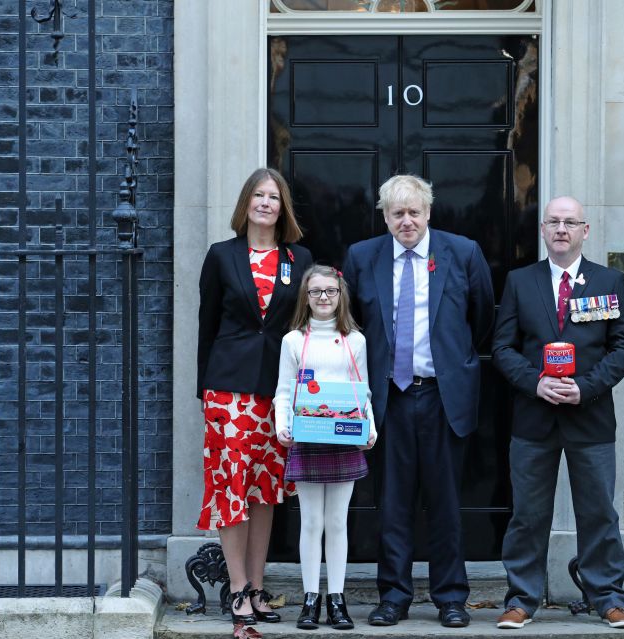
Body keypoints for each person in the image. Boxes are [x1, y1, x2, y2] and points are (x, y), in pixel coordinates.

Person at [342, 174, 494, 628]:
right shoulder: (362, 257)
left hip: (443, 396)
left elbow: (481, 318)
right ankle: (394, 596)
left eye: (414, 212)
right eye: (397, 213)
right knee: (392, 503)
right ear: (385, 216)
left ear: (428, 212)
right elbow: (350, 323)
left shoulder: (462, 252)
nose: (406, 221)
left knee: (446, 502)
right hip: (387, 398)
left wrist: (452, 363)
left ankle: (451, 598)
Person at [491, 196, 624, 630]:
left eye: (570, 222)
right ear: (542, 229)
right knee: (528, 514)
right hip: (533, 419)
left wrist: (585, 387)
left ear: (584, 230)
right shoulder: (521, 281)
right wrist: (536, 381)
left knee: (599, 513)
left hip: (589, 418)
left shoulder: (610, 280)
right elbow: (502, 347)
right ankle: (521, 598)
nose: (561, 229)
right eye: (553, 222)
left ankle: (608, 597)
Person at [196, 168, 313, 636]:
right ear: (246, 203)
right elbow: (206, 325)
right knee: (232, 488)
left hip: (277, 391)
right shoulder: (222, 256)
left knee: (265, 490)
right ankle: (238, 587)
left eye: (274, 197)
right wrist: (202, 390)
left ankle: (258, 586)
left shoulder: (298, 257)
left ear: (283, 208)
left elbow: (306, 323)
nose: (266, 203)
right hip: (228, 390)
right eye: (259, 195)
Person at [273, 265, 378, 631]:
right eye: (316, 291)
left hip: (345, 437)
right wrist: (281, 426)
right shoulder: (292, 341)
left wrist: (371, 427)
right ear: (306, 295)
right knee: (311, 521)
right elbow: (284, 390)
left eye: (330, 292)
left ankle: (337, 599)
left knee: (336, 522)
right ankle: (310, 599)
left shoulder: (355, 341)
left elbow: (361, 389)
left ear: (340, 295)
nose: (323, 298)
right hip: (306, 436)